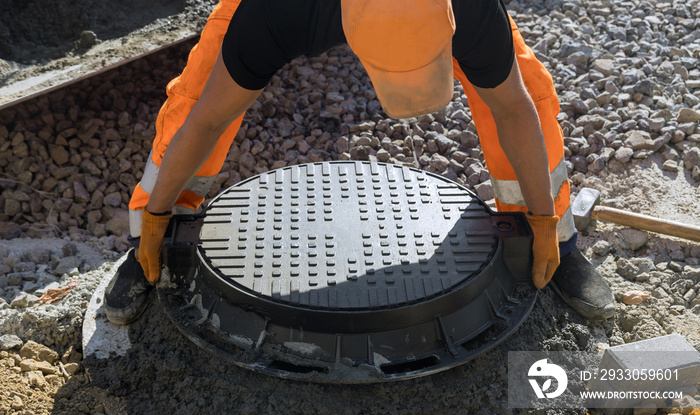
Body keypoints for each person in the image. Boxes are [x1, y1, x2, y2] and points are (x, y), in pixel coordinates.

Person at [103, 0, 616, 325]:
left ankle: (558, 243)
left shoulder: (470, 10)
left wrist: (546, 222)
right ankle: (156, 235)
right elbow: (208, 120)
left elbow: (513, 106)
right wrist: (155, 217)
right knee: (196, 97)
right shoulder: (280, 12)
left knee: (528, 87)